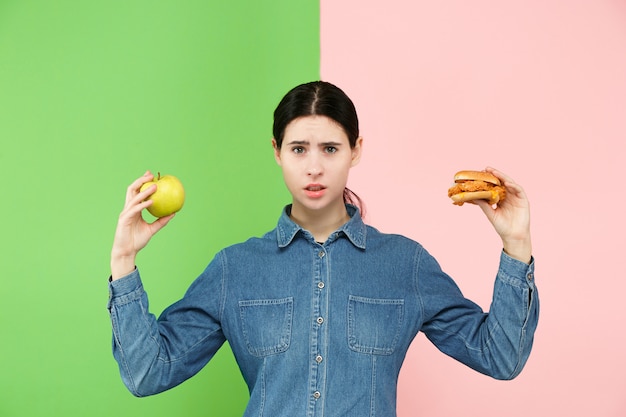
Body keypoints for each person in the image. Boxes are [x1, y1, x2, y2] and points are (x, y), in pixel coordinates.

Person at [107, 81, 539, 416]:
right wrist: (124, 261)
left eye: (330, 148)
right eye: (298, 149)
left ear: (356, 151)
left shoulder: (405, 264)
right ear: (277, 153)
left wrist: (516, 243)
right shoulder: (234, 269)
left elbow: (499, 357)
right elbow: (148, 372)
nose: (314, 167)